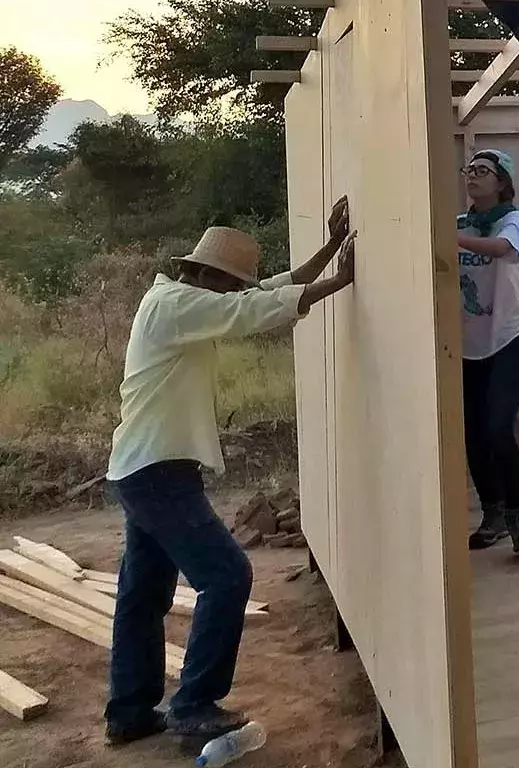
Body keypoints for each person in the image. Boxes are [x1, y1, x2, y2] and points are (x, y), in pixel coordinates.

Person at [104, 202, 356, 749]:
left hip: (145, 467)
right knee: (227, 576)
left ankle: (129, 712)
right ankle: (193, 704)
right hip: (157, 471)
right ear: (199, 274)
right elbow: (249, 310)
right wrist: (340, 281)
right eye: (226, 282)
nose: (230, 292)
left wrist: (327, 253)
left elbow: (256, 295)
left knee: (144, 594)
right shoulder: (176, 306)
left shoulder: (181, 299)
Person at [459, 149, 519, 553]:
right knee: (473, 434)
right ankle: (492, 516)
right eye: (470, 170)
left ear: (502, 182)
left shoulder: (514, 220)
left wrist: (447, 238)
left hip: (510, 340)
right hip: (467, 348)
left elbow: (500, 249)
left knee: (497, 427)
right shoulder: (458, 224)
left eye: (483, 171)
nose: (473, 176)